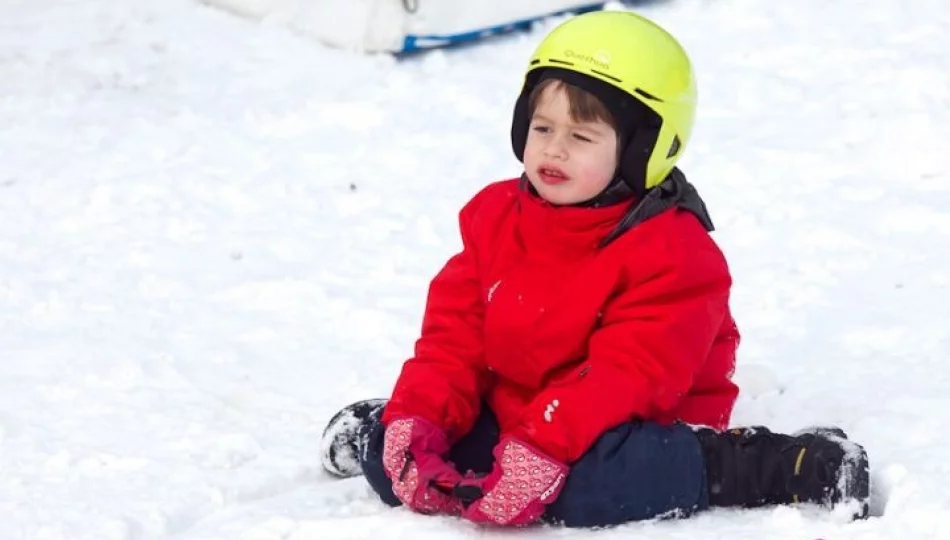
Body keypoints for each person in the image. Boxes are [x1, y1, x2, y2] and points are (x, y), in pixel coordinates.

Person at [318, 10, 870, 528]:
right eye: (542, 128)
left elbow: (629, 374)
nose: (554, 150)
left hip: (629, 424)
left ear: (642, 150)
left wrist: (546, 444)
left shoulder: (673, 251)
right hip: (527, 412)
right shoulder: (493, 218)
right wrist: (420, 418)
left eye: (581, 137)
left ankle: (764, 465)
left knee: (589, 489)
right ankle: (384, 427)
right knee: (407, 464)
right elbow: (453, 341)